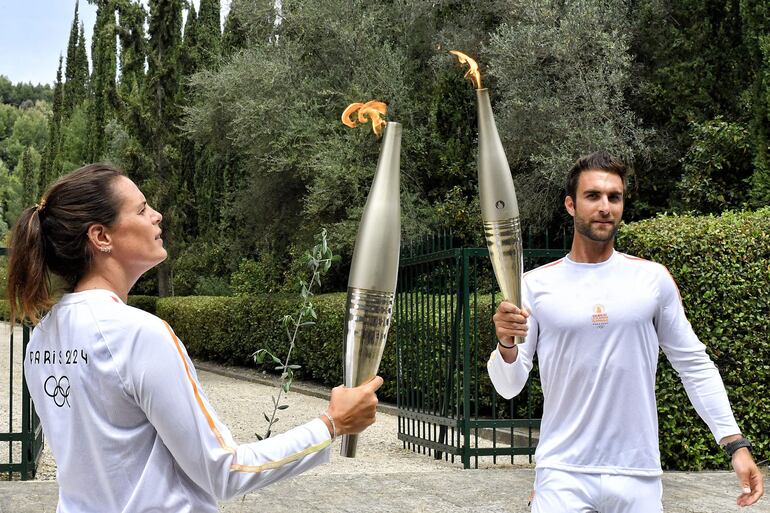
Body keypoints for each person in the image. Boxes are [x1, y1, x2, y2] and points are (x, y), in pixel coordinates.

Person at [8, 163, 383, 513]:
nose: (157, 216)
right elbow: (224, 472)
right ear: (101, 236)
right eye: (140, 210)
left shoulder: (41, 341)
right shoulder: (139, 334)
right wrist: (332, 423)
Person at [487, 151, 764, 512]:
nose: (605, 206)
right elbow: (509, 385)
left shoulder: (652, 280)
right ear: (571, 205)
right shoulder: (534, 286)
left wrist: (735, 445)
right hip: (563, 473)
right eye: (593, 196)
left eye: (613, 197)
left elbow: (694, 365)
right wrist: (506, 343)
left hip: (637, 474)